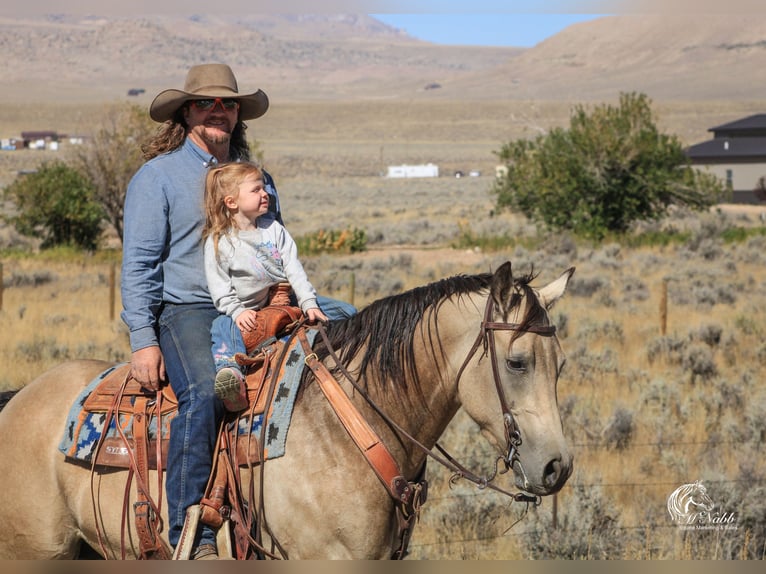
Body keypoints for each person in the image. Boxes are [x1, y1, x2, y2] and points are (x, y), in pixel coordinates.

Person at [121, 63, 355, 560]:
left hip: (265, 302)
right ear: (187, 113)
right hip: (189, 311)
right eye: (206, 103)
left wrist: (284, 298)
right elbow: (138, 264)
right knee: (206, 391)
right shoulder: (157, 177)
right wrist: (143, 339)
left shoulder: (257, 178)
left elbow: (277, 249)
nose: (218, 111)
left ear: (237, 114)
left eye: (227, 103)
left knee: (358, 326)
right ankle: (191, 529)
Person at [203, 161, 328, 411]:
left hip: (283, 302)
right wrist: (237, 312)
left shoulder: (274, 229)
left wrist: (308, 302)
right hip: (244, 308)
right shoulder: (220, 242)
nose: (265, 194)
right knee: (222, 328)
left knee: (344, 311)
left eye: (265, 189)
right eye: (256, 190)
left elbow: (294, 269)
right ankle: (231, 375)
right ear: (231, 202)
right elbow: (220, 289)